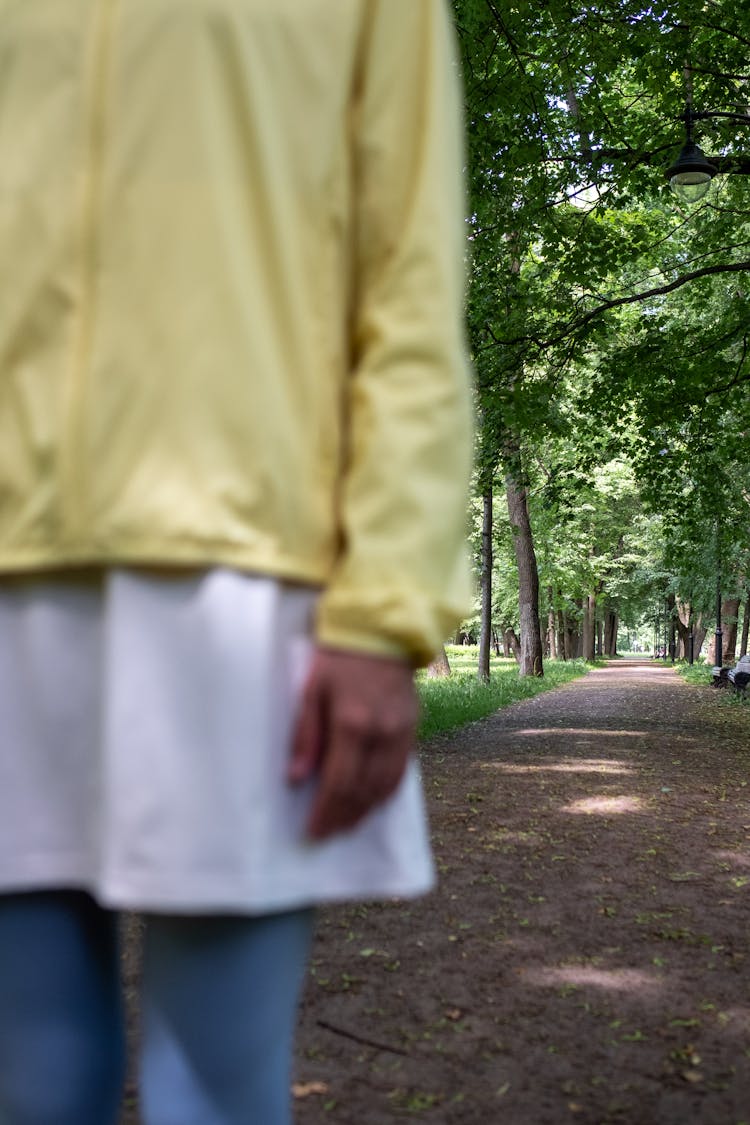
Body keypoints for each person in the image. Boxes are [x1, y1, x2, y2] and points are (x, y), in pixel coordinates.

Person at [0, 2, 473, 1123]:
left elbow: (410, 285)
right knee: (28, 1078)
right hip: (10, 579)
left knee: (211, 1084)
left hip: (249, 589)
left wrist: (386, 607)